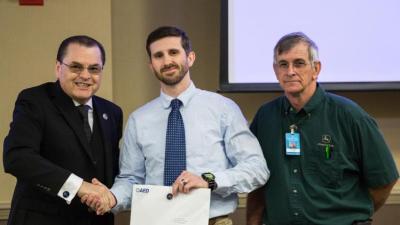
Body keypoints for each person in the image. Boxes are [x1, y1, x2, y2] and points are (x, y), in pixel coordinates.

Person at [83, 26, 270, 225]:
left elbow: (257, 169)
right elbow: (131, 179)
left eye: (173, 52)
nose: (167, 61)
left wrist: (208, 179)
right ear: (151, 65)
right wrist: (111, 198)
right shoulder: (139, 120)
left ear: (190, 58)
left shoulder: (223, 109)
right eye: (158, 55)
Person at [246, 32, 399, 225]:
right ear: (276, 71)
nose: (290, 71)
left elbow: (385, 181)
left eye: (299, 63)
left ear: (316, 69)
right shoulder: (265, 117)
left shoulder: (350, 115)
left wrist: (349, 215)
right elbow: (258, 183)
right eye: (283, 64)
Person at [3, 35, 123, 225]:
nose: (85, 75)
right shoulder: (35, 100)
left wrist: (107, 197)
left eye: (94, 68)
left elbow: (111, 169)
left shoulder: (112, 112)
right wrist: (79, 187)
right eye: (76, 67)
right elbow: (17, 158)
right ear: (58, 68)